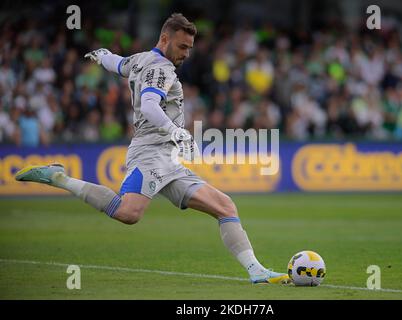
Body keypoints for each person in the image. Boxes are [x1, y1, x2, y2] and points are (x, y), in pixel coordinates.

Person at [15, 13, 289, 284]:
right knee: (128, 213)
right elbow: (148, 105)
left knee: (225, 206)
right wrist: (176, 131)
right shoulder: (161, 68)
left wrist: (102, 55)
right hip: (150, 153)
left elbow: (119, 63)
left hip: (167, 158)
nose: (186, 54)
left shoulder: (141, 59)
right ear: (165, 39)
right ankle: (58, 177)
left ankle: (256, 271)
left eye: (189, 48)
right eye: (182, 47)